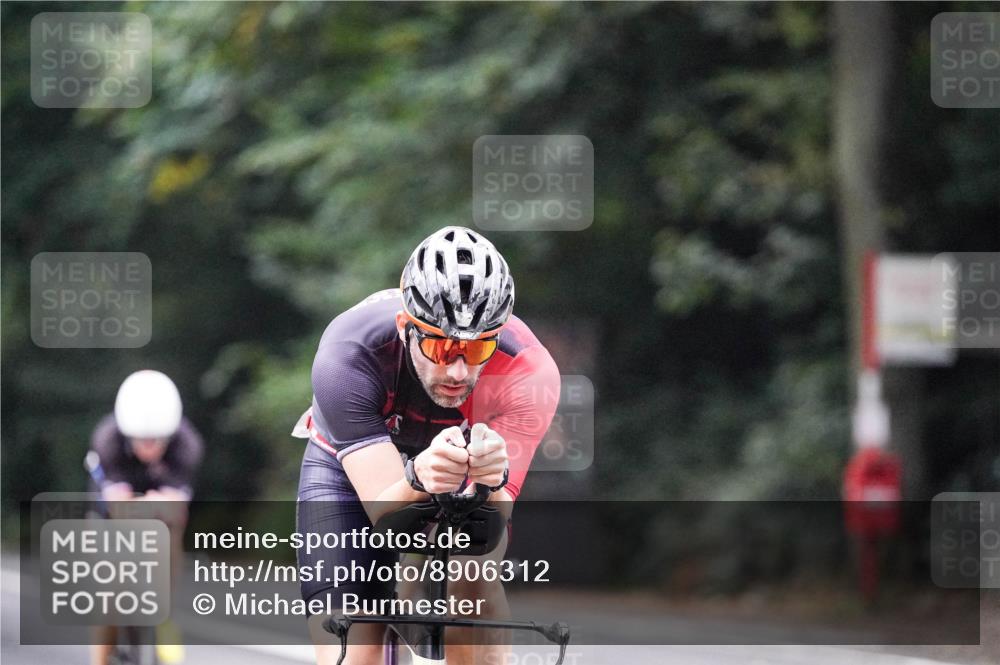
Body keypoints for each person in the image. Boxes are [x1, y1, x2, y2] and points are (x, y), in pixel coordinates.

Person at [294, 226, 560, 665]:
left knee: (474, 570)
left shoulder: (528, 372)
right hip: (351, 470)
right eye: (440, 345)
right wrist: (418, 474)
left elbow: (493, 524)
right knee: (352, 647)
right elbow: (385, 510)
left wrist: (492, 479)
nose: (457, 371)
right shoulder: (348, 354)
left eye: (477, 351)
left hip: (459, 473)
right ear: (407, 328)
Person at [88, 369, 204, 665]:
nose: (149, 448)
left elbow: (177, 508)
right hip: (113, 507)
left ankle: (165, 607)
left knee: (171, 525)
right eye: (142, 441)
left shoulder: (187, 444)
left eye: (157, 441)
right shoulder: (107, 440)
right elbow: (118, 506)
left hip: (159, 510)